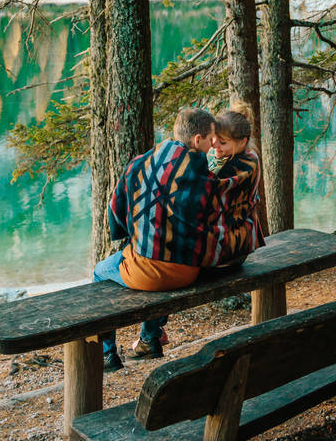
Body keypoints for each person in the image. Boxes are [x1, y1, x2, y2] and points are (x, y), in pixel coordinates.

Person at [94, 107, 241, 372]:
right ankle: (149, 339)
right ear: (198, 141)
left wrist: (125, 233)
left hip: (146, 273)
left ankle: (106, 355)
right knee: (158, 255)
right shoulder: (204, 178)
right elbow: (216, 222)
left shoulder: (142, 163)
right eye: (210, 140)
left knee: (99, 272)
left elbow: (116, 208)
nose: (212, 147)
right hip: (187, 272)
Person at [202, 102, 265, 267]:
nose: (215, 145)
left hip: (226, 250)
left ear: (242, 142)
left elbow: (204, 191)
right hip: (240, 245)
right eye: (213, 139)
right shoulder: (250, 156)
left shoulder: (236, 168)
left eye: (222, 143)